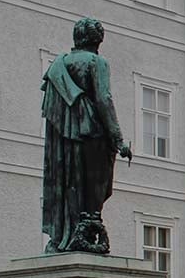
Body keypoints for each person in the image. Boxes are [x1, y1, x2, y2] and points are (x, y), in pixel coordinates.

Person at [40, 17, 133, 253]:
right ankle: (85, 232)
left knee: (68, 181)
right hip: (91, 134)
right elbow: (103, 99)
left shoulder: (57, 67)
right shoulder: (97, 62)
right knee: (93, 187)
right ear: (98, 40)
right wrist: (118, 139)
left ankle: (63, 236)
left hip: (64, 140)